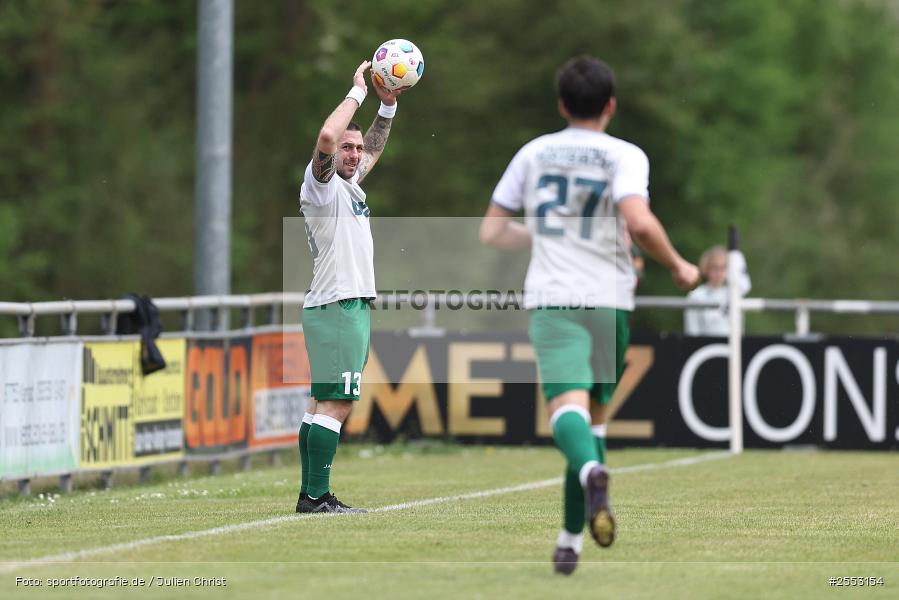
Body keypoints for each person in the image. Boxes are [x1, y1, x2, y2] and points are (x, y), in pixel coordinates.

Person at [479, 55, 699, 574]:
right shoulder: (625, 154)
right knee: (593, 424)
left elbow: (491, 232)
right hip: (611, 300)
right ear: (610, 106)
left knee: (566, 415)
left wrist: (544, 234)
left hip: (556, 298)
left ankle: (591, 480)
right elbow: (639, 223)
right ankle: (568, 542)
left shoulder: (534, 152)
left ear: (561, 104)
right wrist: (680, 265)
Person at [295, 60, 404, 514]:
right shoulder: (320, 185)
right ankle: (316, 497)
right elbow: (325, 137)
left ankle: (310, 494)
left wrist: (388, 106)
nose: (355, 154)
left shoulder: (349, 185)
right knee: (337, 404)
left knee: (322, 402)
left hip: (339, 305)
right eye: (347, 148)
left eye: (356, 148)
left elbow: (374, 147)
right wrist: (357, 91)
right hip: (338, 306)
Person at [684, 245, 751, 336]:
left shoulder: (734, 294)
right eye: (715, 267)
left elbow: (739, 329)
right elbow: (692, 330)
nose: (719, 272)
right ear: (706, 268)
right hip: (705, 347)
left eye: (723, 267)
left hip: (731, 347)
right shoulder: (696, 296)